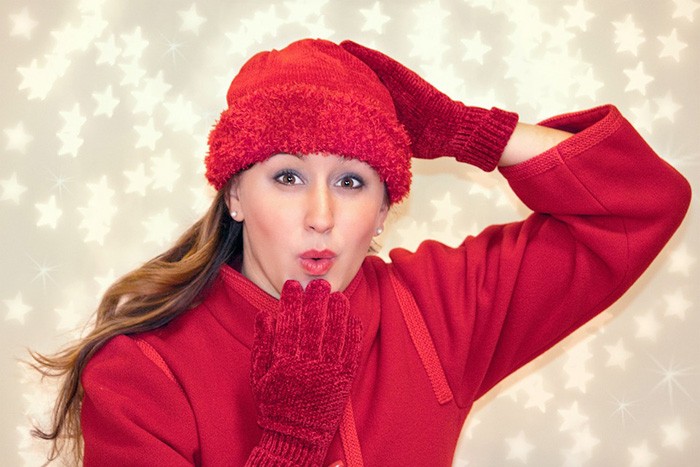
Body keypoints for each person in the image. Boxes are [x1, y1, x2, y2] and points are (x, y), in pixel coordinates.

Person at [32, 38, 690, 466]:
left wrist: (473, 132)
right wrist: (291, 444)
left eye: (351, 181)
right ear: (234, 194)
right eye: (287, 177)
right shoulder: (142, 370)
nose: (320, 216)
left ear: (383, 209)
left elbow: (640, 205)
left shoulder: (435, 308)